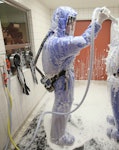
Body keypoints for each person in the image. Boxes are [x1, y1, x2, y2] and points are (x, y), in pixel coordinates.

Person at [42, 6, 110, 146]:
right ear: (61, 22)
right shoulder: (59, 43)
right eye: (69, 22)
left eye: (73, 22)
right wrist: (98, 22)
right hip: (62, 79)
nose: (72, 25)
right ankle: (58, 137)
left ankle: (63, 120)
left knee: (64, 103)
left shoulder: (53, 37)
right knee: (62, 105)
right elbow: (84, 40)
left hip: (60, 77)